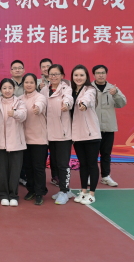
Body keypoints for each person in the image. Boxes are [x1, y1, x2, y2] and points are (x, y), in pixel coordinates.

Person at [40, 64, 75, 205]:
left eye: (56, 74)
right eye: (51, 74)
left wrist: (66, 105)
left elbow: (69, 99)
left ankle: (64, 191)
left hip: (63, 133)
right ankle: (64, 190)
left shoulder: (66, 88)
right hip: (49, 133)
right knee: (54, 162)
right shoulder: (44, 90)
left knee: (62, 163)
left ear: (62, 76)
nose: (53, 77)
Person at [70, 65, 102, 205]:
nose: (78, 78)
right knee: (82, 164)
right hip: (77, 135)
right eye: (76, 75)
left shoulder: (90, 90)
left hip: (91, 134)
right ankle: (83, 191)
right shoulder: (71, 91)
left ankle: (91, 193)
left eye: (81, 75)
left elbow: (87, 99)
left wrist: (83, 104)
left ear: (87, 77)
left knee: (92, 164)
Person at [0, 78, 27, 207]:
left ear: (14, 89)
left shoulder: (20, 102)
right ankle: (3, 195)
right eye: (4, 88)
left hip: (16, 142)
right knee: (2, 170)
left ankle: (13, 195)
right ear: (0, 89)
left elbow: (23, 116)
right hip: (0, 141)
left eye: (10, 88)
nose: (7, 90)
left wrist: (15, 113)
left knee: (15, 171)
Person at [93, 65, 127, 187]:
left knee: (106, 153)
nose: (100, 75)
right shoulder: (89, 88)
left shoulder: (112, 88)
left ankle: (106, 176)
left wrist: (115, 94)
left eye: (103, 73)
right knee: (92, 154)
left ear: (106, 74)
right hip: (93, 127)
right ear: (94, 75)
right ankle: (91, 176)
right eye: (98, 73)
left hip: (108, 127)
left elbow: (122, 103)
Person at [21, 73, 49, 206]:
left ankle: (39, 193)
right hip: (24, 139)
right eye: (26, 82)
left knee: (38, 168)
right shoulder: (20, 99)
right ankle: (31, 190)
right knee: (28, 167)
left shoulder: (40, 97)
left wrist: (37, 108)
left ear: (35, 84)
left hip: (39, 139)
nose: (29, 85)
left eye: (31, 82)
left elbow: (40, 104)